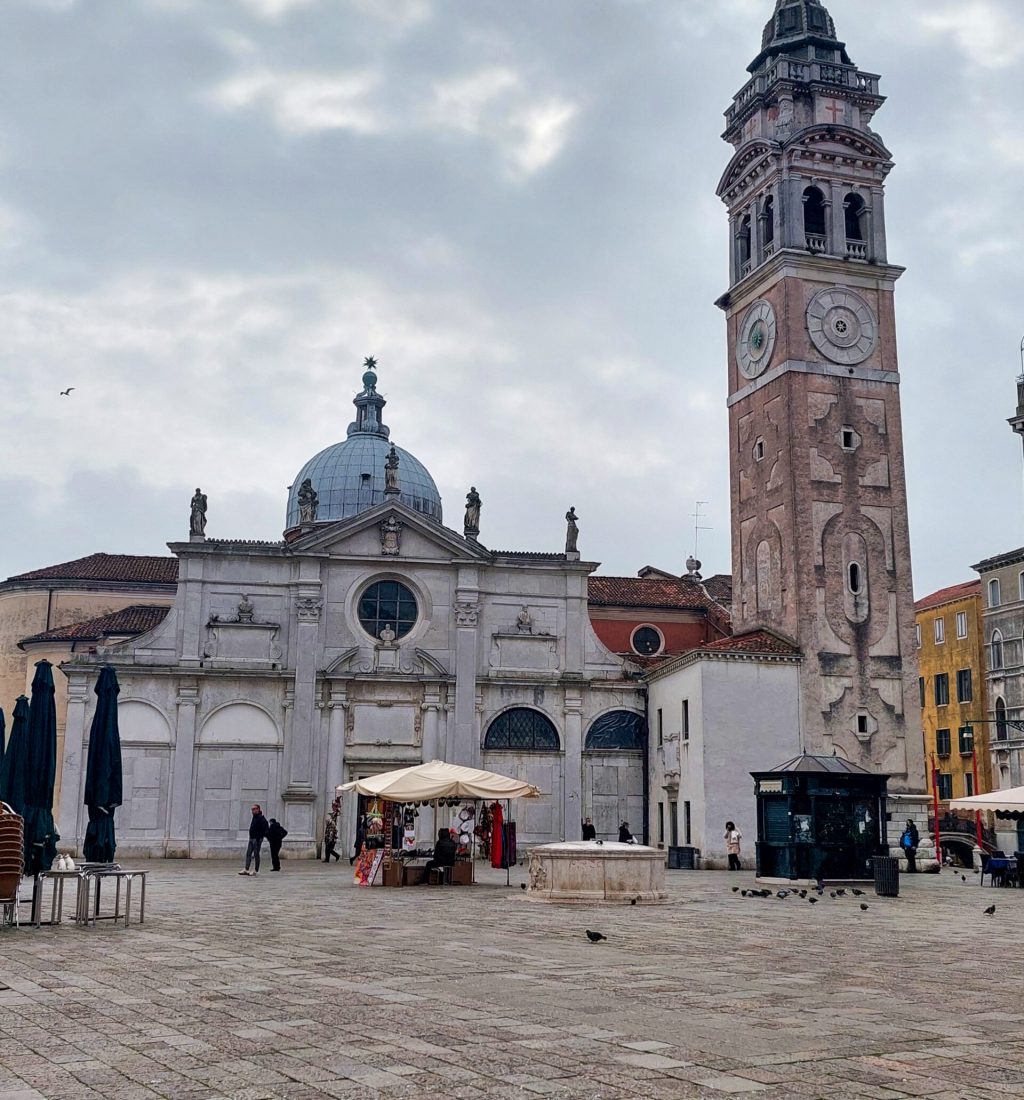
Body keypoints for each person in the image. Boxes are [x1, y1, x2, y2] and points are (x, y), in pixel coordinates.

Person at [240, 804, 269, 876]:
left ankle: (256, 870)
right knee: (248, 853)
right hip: (251, 838)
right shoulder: (254, 817)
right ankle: (246, 869)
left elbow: (266, 829)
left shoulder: (262, 819)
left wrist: (259, 837)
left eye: (254, 809)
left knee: (256, 854)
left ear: (258, 809)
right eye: (252, 809)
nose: (253, 811)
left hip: (257, 839)